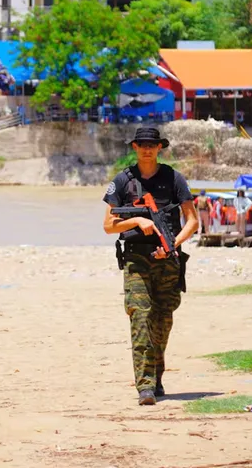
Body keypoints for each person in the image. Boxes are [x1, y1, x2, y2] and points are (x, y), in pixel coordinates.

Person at [102, 127, 198, 406]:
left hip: (168, 260)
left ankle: (156, 375)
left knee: (163, 321)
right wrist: (137, 221)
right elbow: (109, 225)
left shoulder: (174, 178)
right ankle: (144, 385)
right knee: (141, 317)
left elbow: (192, 221)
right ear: (134, 147)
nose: (147, 148)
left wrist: (172, 245)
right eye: (142, 144)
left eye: (152, 144)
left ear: (159, 148)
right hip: (136, 259)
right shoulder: (122, 181)